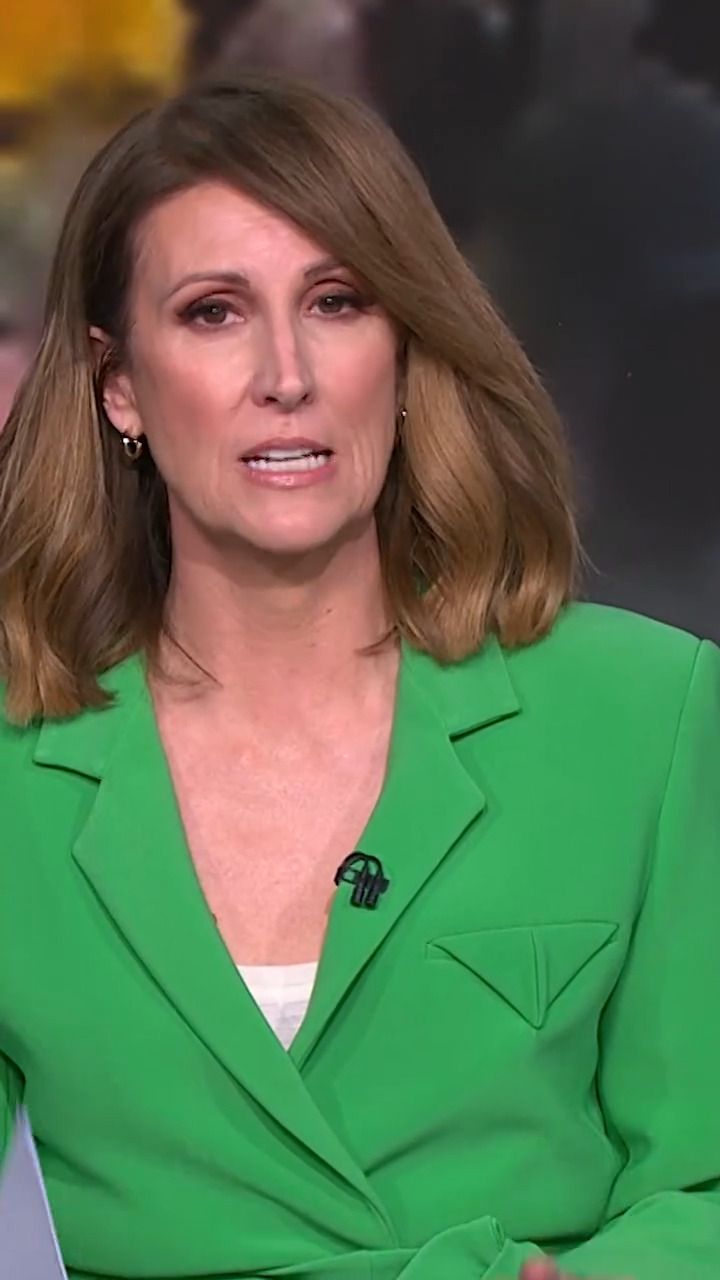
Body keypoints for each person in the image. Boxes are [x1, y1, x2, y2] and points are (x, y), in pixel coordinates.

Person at [0, 74, 718, 1280]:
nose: (286, 372)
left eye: (336, 302)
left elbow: (707, 1181)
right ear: (118, 382)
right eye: (214, 312)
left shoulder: (648, 715)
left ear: (404, 347)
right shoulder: (15, 761)